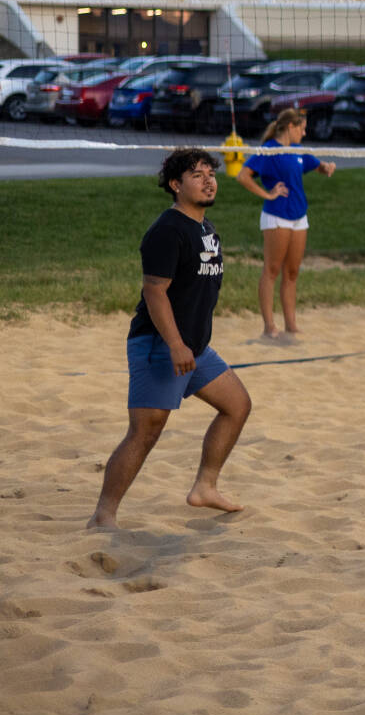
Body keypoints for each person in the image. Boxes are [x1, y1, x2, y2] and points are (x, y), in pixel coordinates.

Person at [89, 148, 251, 528]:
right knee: (145, 432)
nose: (209, 179)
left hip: (193, 348)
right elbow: (154, 291)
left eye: (211, 173)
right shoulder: (168, 230)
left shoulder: (205, 228)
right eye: (197, 174)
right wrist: (176, 345)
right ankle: (103, 515)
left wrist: (188, 344)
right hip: (160, 345)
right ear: (176, 185)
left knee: (237, 405)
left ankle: (205, 487)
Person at [236, 107, 334, 342]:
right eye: (302, 127)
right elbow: (243, 176)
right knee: (272, 270)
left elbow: (316, 165)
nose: (305, 131)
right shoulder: (268, 150)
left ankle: (291, 325)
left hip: (299, 216)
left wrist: (327, 167)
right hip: (276, 215)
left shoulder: (298, 150)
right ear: (290, 127)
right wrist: (267, 194)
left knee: (292, 273)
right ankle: (269, 326)